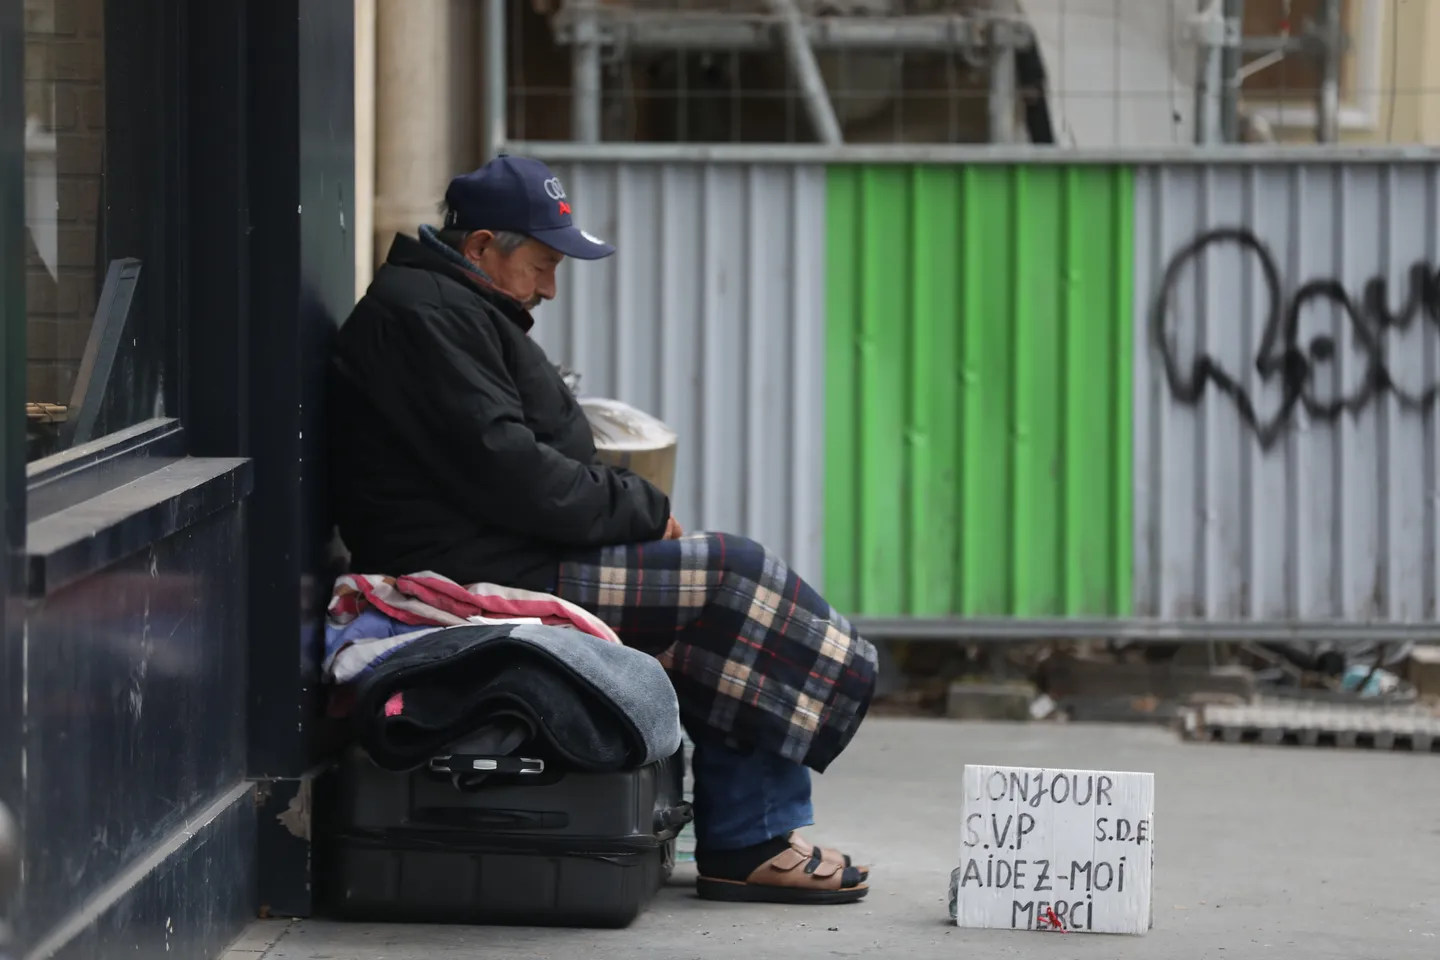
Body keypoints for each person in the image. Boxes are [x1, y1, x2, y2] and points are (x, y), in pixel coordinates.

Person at [328, 155, 878, 905]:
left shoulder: (447, 306)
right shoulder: (423, 314)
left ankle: (756, 831)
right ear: (482, 247)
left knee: (723, 593)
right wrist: (643, 507)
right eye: (544, 264)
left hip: (508, 545)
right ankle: (751, 839)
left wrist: (625, 503)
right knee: (732, 583)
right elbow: (509, 469)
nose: (550, 287)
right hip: (467, 564)